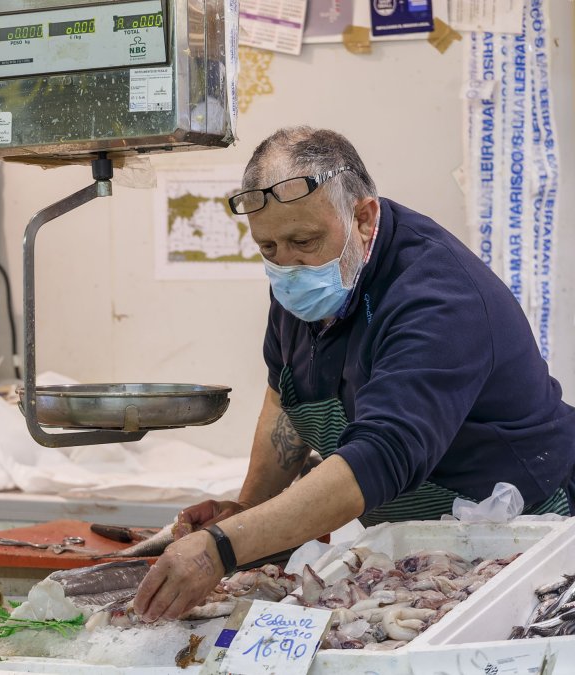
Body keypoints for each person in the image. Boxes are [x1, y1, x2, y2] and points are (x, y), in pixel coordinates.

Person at [134, 126, 575, 622]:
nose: (288, 265)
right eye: (268, 248)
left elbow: (379, 456)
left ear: (364, 218)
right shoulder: (306, 280)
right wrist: (249, 511)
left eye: (304, 240)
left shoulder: (438, 296)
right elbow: (285, 395)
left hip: (527, 539)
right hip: (419, 549)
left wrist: (223, 546)